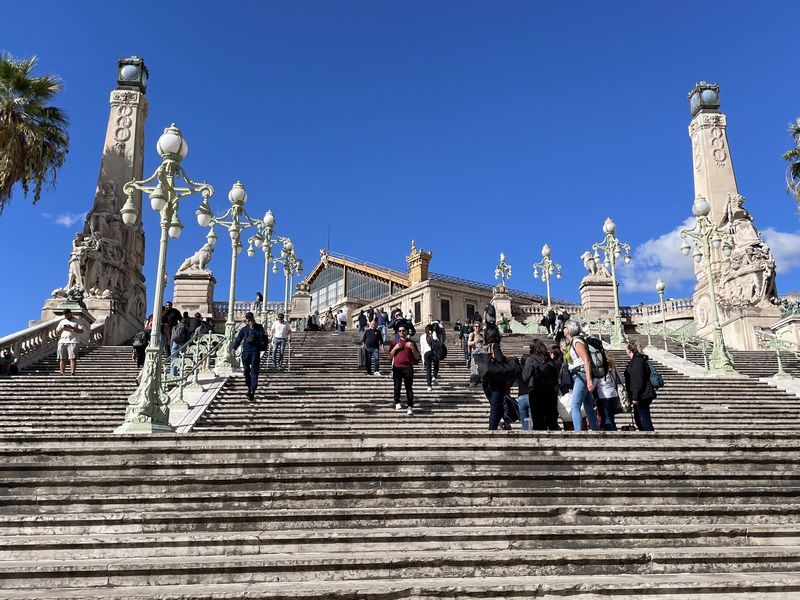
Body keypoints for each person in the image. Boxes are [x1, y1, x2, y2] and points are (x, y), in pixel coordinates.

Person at [563, 320, 599, 432]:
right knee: (588, 406)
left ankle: (578, 433)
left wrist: (589, 380)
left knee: (575, 405)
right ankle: (595, 429)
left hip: (581, 375)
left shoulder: (577, 341)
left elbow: (586, 360)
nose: (563, 329)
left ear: (569, 329)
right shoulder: (572, 342)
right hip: (578, 375)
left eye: (564, 327)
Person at [521, 339, 560, 430]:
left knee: (537, 419)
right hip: (550, 391)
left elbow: (525, 377)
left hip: (535, 390)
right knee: (551, 419)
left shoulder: (530, 359)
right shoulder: (549, 359)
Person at [231, 312, 267, 401]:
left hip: (255, 351)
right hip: (246, 352)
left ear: (252, 319)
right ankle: (249, 387)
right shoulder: (244, 329)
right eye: (247, 319)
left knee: (254, 371)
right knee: (246, 371)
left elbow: (263, 337)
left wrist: (253, 328)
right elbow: (238, 339)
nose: (249, 320)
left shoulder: (259, 327)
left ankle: (252, 391)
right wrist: (234, 348)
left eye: (250, 318)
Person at [624, 342, 656, 431]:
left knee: (643, 418)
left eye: (626, 350)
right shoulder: (638, 360)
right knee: (640, 418)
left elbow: (637, 380)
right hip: (643, 393)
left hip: (642, 395)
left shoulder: (637, 361)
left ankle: (649, 437)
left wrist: (635, 397)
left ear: (630, 350)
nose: (625, 352)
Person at [482, 323, 508, 430]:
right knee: (496, 408)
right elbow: (499, 359)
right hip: (496, 382)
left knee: (498, 407)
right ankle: (491, 431)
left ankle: (499, 425)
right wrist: (507, 359)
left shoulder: (483, 347)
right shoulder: (495, 346)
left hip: (486, 382)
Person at [389, 326, 420, 415]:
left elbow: (417, 356)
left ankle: (410, 406)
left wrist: (412, 348)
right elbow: (390, 356)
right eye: (400, 331)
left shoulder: (412, 343)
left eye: (403, 330)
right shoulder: (394, 342)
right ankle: (397, 402)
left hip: (408, 367)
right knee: (397, 386)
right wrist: (395, 348)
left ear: (407, 331)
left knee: (409, 388)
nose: (401, 332)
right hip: (397, 367)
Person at [595, 351, 622, 431]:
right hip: (614, 395)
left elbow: (593, 384)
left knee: (606, 417)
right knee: (611, 416)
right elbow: (621, 380)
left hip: (603, 395)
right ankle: (614, 431)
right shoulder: (613, 370)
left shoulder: (600, 370)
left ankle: (611, 433)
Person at [56, 309, 84, 376]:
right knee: (62, 358)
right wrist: (62, 329)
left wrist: (72, 328)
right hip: (62, 341)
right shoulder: (62, 321)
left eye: (67, 314)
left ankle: (72, 372)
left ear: (70, 313)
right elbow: (57, 332)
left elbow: (81, 331)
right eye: (65, 315)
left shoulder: (77, 321)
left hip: (73, 341)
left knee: (73, 358)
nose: (66, 316)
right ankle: (62, 372)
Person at [419, 324, 440, 392]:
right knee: (436, 365)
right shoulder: (433, 334)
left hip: (426, 353)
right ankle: (434, 376)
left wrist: (423, 360)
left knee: (428, 370)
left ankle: (429, 386)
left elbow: (422, 349)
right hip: (433, 352)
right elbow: (437, 341)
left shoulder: (422, 336)